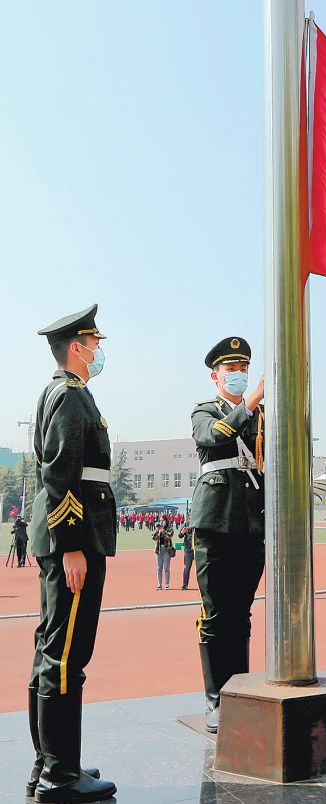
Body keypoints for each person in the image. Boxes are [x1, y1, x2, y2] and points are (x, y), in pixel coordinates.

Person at [27, 304, 116, 802]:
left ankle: (53, 760)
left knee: (52, 650)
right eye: (95, 342)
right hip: (73, 544)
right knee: (65, 656)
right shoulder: (69, 396)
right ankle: (60, 775)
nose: (100, 350)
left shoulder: (71, 394)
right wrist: (73, 547)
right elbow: (59, 477)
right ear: (77, 347)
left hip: (73, 539)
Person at [190, 336, 265, 733]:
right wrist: (249, 403)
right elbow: (214, 436)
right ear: (215, 376)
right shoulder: (204, 410)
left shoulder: (262, 415)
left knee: (241, 614)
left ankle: (239, 691)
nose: (238, 376)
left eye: (244, 369)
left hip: (252, 522)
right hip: (215, 521)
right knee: (217, 614)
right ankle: (216, 698)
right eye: (231, 370)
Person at [153, 515, 174, 589]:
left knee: (166, 567)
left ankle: (167, 584)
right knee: (159, 568)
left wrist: (163, 531)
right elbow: (154, 538)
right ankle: (159, 584)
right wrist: (157, 531)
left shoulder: (169, 528)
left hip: (166, 549)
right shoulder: (158, 528)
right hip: (158, 549)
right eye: (160, 520)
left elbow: (170, 536)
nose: (161, 522)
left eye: (163, 520)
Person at [180, 523, 194, 590]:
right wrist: (183, 532)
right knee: (187, 568)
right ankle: (185, 584)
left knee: (200, 568)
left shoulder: (198, 522)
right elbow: (180, 535)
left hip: (197, 549)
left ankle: (202, 586)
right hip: (188, 549)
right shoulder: (186, 524)